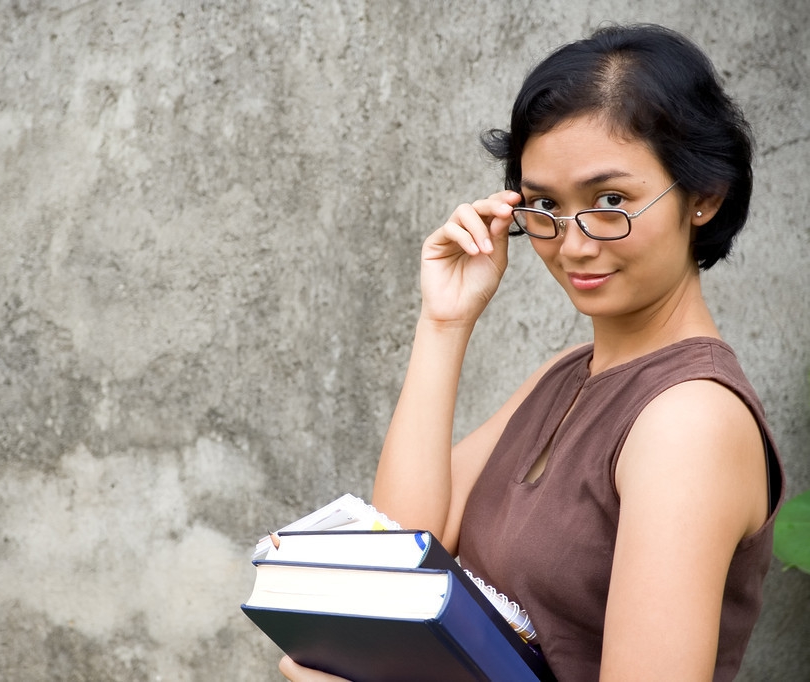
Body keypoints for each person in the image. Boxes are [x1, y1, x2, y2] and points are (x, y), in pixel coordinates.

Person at [279, 23, 784, 682]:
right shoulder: (564, 374)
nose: (572, 243)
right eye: (545, 204)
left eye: (609, 202)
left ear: (703, 196)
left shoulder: (688, 423)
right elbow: (394, 564)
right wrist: (443, 321)